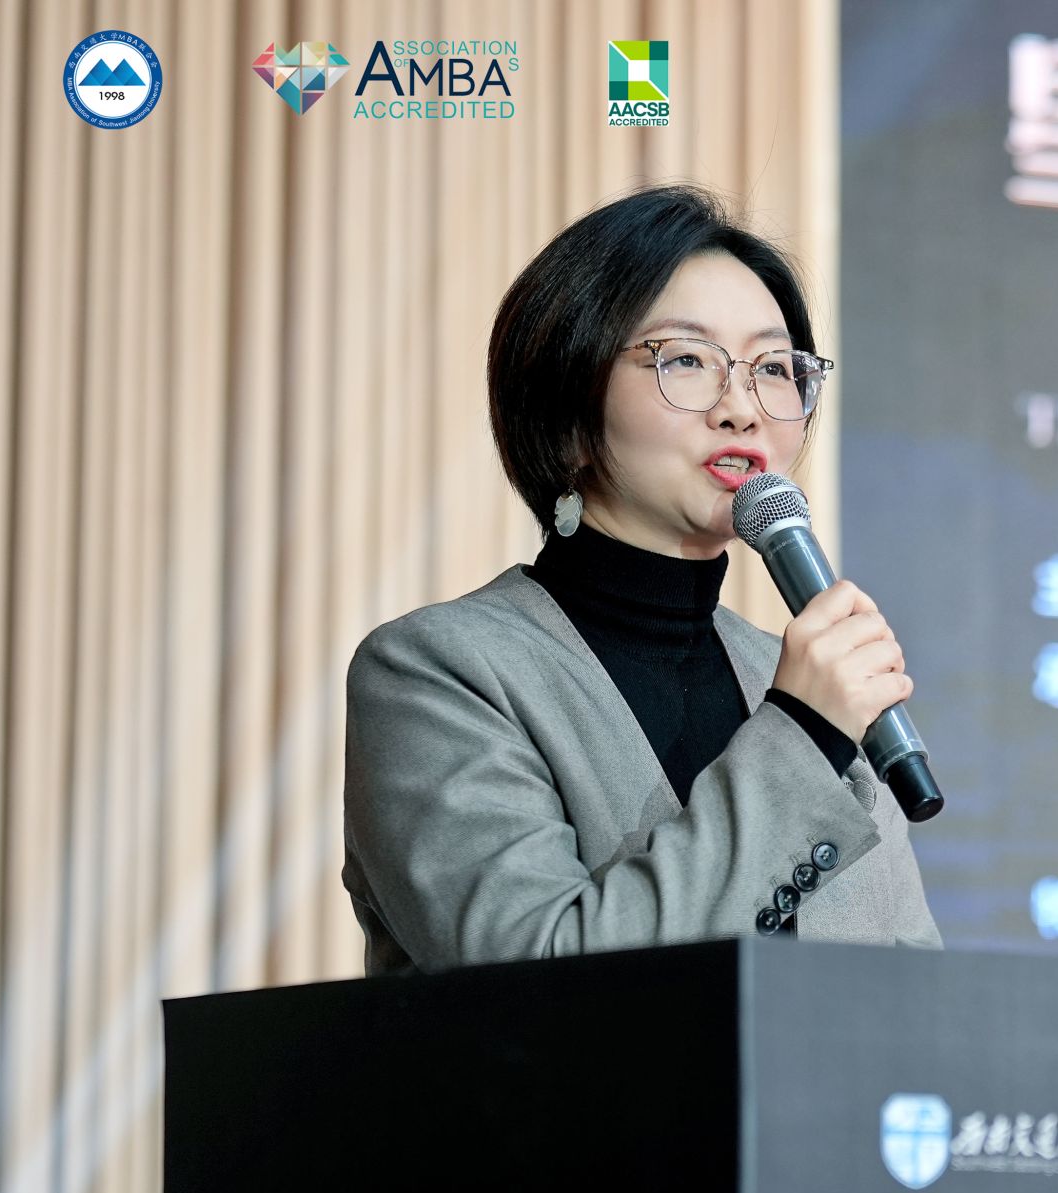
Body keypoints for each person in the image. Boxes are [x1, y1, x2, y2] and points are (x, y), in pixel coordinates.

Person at [341, 184, 943, 973]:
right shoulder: (439, 672)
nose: (742, 408)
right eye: (687, 359)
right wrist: (802, 736)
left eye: (774, 367)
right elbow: (535, 980)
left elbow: (915, 1002)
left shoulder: (811, 684)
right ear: (568, 412)